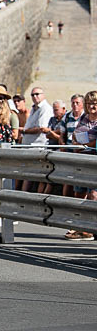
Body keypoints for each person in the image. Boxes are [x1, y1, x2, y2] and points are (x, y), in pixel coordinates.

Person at [64, 91, 97, 241]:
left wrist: (85, 144)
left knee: (93, 195)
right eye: (89, 103)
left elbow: (95, 142)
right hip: (82, 159)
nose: (92, 106)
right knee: (79, 194)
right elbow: (75, 134)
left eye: (95, 103)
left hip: (94, 161)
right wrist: (77, 142)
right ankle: (80, 226)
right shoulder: (84, 118)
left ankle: (89, 229)